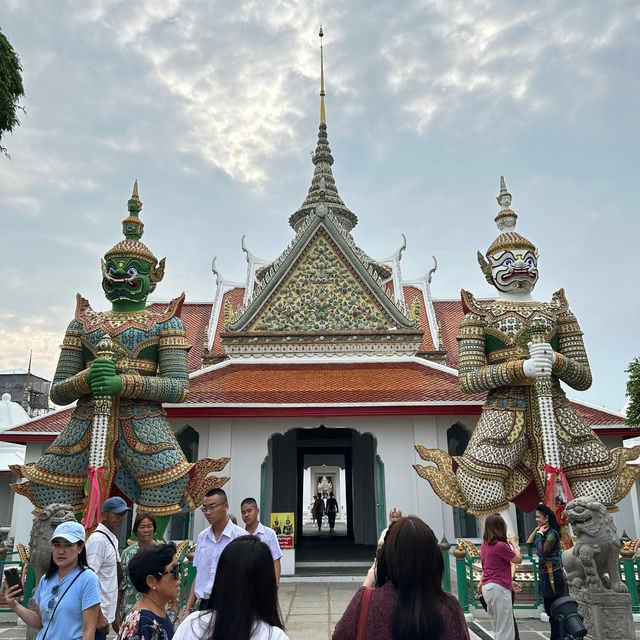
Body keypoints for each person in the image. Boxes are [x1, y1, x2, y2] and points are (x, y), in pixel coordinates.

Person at [333, 516, 470, 640]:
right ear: (434, 558)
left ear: (387, 557)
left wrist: (367, 584)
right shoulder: (450, 608)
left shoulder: (369, 602)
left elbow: (340, 635)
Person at [174, 536, 288, 640]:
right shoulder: (273, 636)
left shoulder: (192, 625)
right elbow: (199, 573)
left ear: (220, 579)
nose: (208, 512)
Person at [4, 520, 101, 640]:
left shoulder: (88, 579)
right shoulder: (46, 579)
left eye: (68, 545)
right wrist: (14, 604)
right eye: (57, 544)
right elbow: (39, 621)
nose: (61, 551)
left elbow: (89, 630)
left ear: (80, 547)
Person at [182, 488, 247, 617]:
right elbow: (199, 574)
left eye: (212, 507)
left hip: (232, 605)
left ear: (226, 506)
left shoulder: (241, 537)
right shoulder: (202, 537)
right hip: (205, 605)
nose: (208, 513)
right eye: (204, 508)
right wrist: (187, 609)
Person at [85, 496, 130, 639]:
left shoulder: (110, 538)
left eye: (123, 514)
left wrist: (115, 614)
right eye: (116, 514)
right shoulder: (98, 540)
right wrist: (98, 616)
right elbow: (89, 579)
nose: (120, 518)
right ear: (104, 515)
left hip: (105, 613)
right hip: (96, 615)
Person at [117, 543, 179, 640]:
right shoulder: (144, 622)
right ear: (152, 581)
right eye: (174, 570)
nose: (179, 575)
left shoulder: (156, 613)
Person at [478, 513, 522, 640]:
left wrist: (509, 581)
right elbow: (518, 559)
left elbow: (490, 567)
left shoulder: (484, 545)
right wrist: (514, 544)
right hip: (499, 589)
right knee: (506, 629)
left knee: (497, 626)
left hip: (488, 587)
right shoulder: (501, 546)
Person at [527, 503, 567, 640]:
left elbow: (542, 552)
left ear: (546, 518)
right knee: (549, 608)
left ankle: (559, 636)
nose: (536, 519)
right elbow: (528, 543)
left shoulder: (552, 534)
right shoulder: (544, 533)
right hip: (546, 575)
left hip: (553, 576)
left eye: (538, 517)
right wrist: (537, 531)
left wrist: (539, 534)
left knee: (555, 609)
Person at [120, 512, 163, 620]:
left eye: (149, 526)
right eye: (142, 527)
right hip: (131, 607)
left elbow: (172, 578)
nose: (146, 530)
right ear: (136, 531)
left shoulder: (163, 551)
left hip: (157, 605)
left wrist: (174, 604)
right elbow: (122, 584)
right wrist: (117, 613)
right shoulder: (127, 553)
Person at [240, 498, 282, 585]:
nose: (246, 515)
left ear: (257, 511)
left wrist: (276, 586)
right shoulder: (239, 534)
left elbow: (276, 561)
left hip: (264, 583)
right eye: (243, 512)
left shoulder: (269, 534)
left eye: (249, 511)